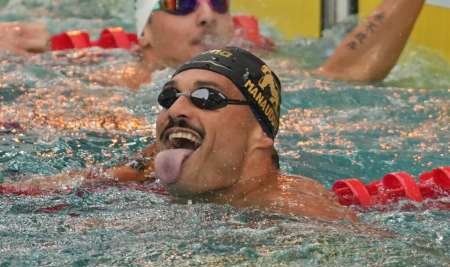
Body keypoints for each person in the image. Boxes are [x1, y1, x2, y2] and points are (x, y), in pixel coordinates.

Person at [0, 47, 357, 222]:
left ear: (259, 134)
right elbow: (40, 190)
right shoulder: (149, 171)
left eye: (207, 97)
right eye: (169, 97)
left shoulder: (297, 213)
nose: (176, 110)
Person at [0, 0, 426, 88]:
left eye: (216, 0)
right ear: (142, 32)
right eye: (181, 3)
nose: (206, 14)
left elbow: (342, 78)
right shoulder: (105, 87)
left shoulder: (264, 71)